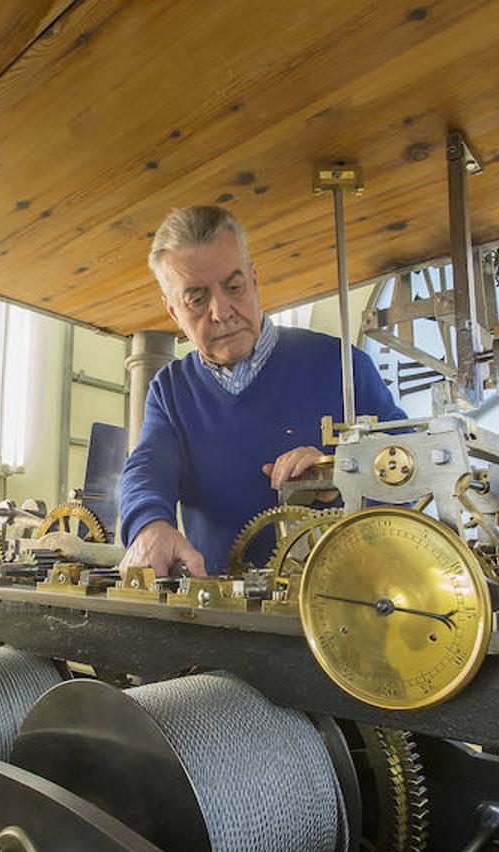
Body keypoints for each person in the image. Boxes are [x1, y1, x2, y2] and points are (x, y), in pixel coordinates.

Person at [118, 205, 406, 576]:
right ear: (173, 311)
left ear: (254, 280)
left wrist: (341, 476)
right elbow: (146, 468)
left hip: (348, 611)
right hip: (221, 618)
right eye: (196, 299)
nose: (221, 310)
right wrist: (147, 524)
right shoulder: (171, 391)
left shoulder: (344, 366)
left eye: (234, 287)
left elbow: (412, 478)